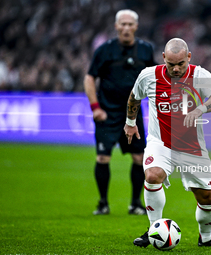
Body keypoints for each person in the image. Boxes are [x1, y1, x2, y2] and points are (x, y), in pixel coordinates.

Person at [124, 38, 211, 247]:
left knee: (207, 196)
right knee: (152, 175)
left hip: (192, 146)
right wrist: (130, 122)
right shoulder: (149, 76)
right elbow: (134, 97)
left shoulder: (200, 75)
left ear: (189, 57)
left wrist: (200, 108)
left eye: (180, 64)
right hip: (160, 142)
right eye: (170, 64)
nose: (175, 68)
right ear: (163, 58)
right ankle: (153, 229)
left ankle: (206, 238)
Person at [84, 9, 156, 215]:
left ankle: (135, 203)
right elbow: (90, 78)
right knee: (103, 158)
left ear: (136, 26)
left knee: (139, 158)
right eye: (122, 24)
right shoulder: (104, 50)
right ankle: (103, 203)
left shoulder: (145, 50)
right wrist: (95, 107)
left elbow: (154, 78)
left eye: (130, 24)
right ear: (116, 27)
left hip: (133, 114)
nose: (126, 28)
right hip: (107, 114)